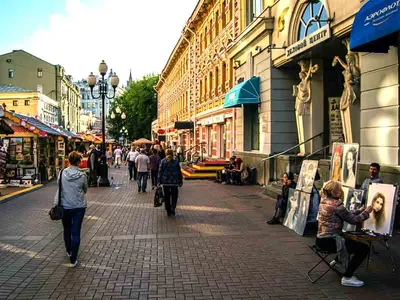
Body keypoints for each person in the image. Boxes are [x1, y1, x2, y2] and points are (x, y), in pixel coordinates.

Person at [316, 180, 373, 287]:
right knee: (363, 249)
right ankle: (347, 277)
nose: (341, 192)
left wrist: (359, 210)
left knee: (348, 240)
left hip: (320, 240)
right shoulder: (337, 205)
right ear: (333, 192)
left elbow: (345, 214)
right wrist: (366, 212)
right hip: (331, 242)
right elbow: (353, 220)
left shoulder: (324, 201)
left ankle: (335, 262)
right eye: (339, 190)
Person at [54, 151, 88, 268]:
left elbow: (59, 185)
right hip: (79, 207)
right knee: (76, 232)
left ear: (68, 160)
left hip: (65, 206)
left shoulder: (62, 173)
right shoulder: (83, 175)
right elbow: (85, 189)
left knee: (67, 229)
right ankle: (73, 259)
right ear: (79, 162)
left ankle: (69, 250)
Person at [158, 149, 183, 216]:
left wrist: (159, 181)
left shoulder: (163, 161)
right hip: (174, 182)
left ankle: (168, 209)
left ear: (165, 153)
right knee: (174, 196)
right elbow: (179, 172)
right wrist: (180, 181)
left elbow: (160, 172)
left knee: (166, 196)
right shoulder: (176, 161)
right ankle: (173, 208)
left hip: (165, 182)